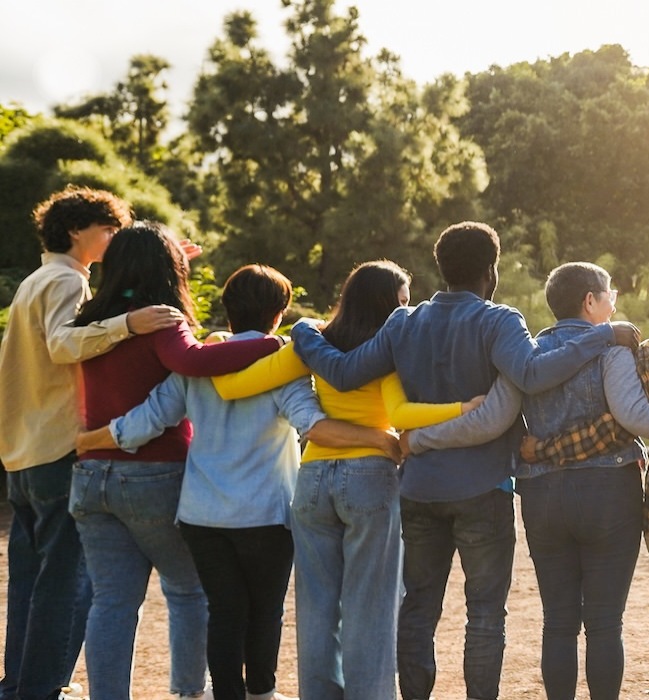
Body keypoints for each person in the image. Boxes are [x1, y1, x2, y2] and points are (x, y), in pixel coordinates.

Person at [286, 222, 625, 700]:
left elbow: (343, 372)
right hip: (482, 489)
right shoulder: (499, 320)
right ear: (492, 269)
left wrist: (304, 332)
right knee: (484, 613)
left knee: (419, 606)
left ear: (439, 268)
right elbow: (531, 373)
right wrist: (601, 336)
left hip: (419, 488)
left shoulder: (403, 322)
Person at [399, 262, 649, 700]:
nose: (614, 305)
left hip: (544, 496)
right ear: (589, 301)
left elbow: (498, 417)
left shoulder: (529, 354)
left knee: (558, 621)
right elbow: (633, 416)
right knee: (605, 622)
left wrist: (420, 439)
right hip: (608, 492)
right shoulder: (613, 349)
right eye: (609, 295)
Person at [77, 264, 403, 700]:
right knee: (265, 611)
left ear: (228, 311)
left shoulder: (197, 364)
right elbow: (315, 425)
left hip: (201, 513)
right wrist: (385, 440)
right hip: (265, 512)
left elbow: (147, 421)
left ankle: (226, 693)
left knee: (224, 611)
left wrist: (87, 441)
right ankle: (261, 693)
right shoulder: (281, 365)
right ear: (278, 313)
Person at [205, 260, 474, 700]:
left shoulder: (314, 344)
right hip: (370, 477)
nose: (404, 311)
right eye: (402, 302)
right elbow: (404, 416)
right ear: (388, 303)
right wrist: (463, 408)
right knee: (370, 605)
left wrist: (214, 347)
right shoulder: (389, 350)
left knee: (316, 606)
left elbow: (233, 387)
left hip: (311, 480)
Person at [69, 222, 282, 699]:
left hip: (91, 474)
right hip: (151, 471)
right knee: (189, 591)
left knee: (112, 602)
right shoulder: (162, 318)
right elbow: (195, 362)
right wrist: (274, 344)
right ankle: (190, 693)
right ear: (169, 269)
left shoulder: (92, 320)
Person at [0, 187, 183, 700]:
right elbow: (63, 344)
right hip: (60, 446)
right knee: (65, 582)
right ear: (78, 230)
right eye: (110, 229)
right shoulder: (64, 281)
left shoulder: (35, 281)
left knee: (30, 582)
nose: (116, 239)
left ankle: (19, 684)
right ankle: (43, 688)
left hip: (23, 449)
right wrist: (129, 321)